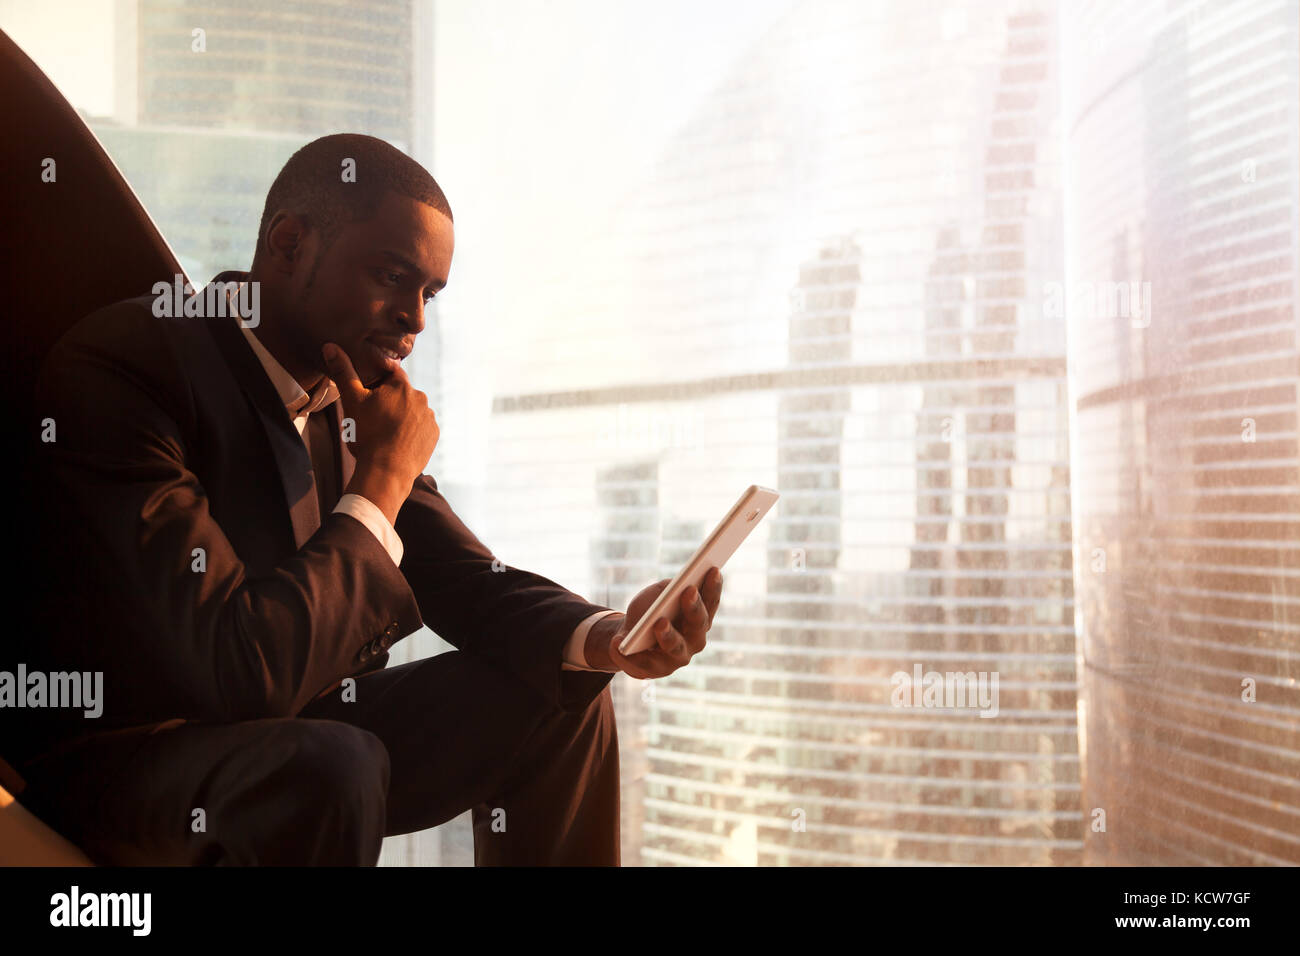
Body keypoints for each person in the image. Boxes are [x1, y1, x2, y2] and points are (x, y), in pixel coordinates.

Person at [15, 133, 723, 866]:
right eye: (393, 277)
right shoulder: (132, 363)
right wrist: (381, 477)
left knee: (564, 693)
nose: (415, 318)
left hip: (298, 734)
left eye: (430, 295)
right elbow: (234, 671)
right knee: (329, 762)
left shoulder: (344, 398)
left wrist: (612, 637)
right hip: (128, 756)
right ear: (288, 245)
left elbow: (467, 581)